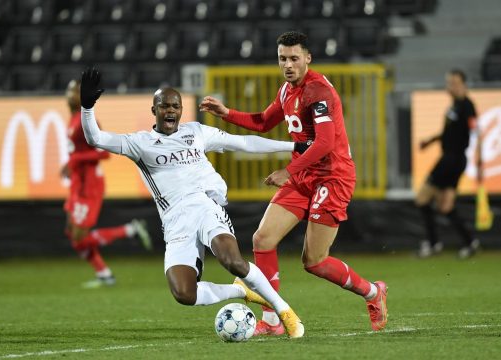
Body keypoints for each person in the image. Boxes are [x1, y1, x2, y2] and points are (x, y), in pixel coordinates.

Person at [79, 68, 308, 338]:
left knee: (232, 260)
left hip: (205, 206)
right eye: (164, 106)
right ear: (154, 110)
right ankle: (240, 290)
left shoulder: (196, 132)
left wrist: (291, 147)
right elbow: (95, 138)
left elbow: (243, 142)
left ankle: (284, 311)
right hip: (176, 222)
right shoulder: (139, 143)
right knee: (184, 293)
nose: (170, 111)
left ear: (181, 110)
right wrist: (87, 107)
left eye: (175, 106)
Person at [199, 31, 388, 336]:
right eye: (282, 59)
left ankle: (372, 292)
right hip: (305, 174)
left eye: (294, 58)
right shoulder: (288, 90)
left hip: (332, 176)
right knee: (262, 240)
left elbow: (325, 142)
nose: (287, 64)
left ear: (307, 58)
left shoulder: (318, 91)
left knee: (314, 261)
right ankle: (272, 320)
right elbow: (263, 121)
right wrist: (226, 113)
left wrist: (289, 171)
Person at [61, 79, 153, 289]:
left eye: (75, 91)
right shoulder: (72, 120)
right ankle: (104, 274)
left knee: (79, 238)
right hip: (77, 184)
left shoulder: (86, 121)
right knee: (71, 232)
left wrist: (75, 160)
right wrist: (70, 163)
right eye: (69, 90)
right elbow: (76, 153)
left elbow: (103, 153)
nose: (70, 95)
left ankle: (130, 230)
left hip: (89, 186)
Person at [415, 69, 480, 259]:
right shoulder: (455, 106)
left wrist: (481, 157)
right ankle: (470, 242)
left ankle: (433, 243)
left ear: (463, 84)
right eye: (449, 82)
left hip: (452, 159)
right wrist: (431, 141)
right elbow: (448, 133)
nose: (450, 86)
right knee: (445, 207)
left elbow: (476, 130)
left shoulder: (467, 106)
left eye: (454, 82)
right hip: (453, 159)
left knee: (421, 199)